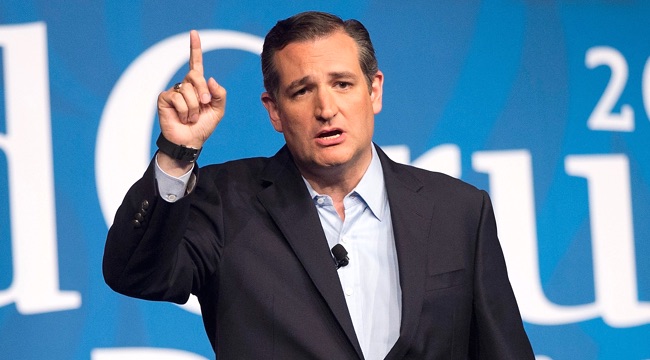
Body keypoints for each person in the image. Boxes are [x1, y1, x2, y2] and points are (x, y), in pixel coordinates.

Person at [103, 11, 534, 359]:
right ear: (274, 111)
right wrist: (177, 153)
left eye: (342, 84)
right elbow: (135, 274)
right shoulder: (224, 200)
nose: (326, 108)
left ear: (374, 91)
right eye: (301, 91)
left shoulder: (458, 210)